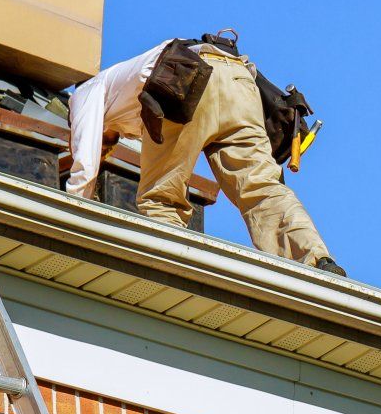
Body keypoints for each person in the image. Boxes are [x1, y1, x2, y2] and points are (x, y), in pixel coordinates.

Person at [66, 34, 344, 274]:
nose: (107, 149)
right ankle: (315, 258)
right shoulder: (125, 99)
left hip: (184, 78)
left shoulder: (86, 93)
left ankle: (169, 268)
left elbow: (85, 165)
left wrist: (71, 220)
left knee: (161, 198)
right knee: (262, 189)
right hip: (239, 80)